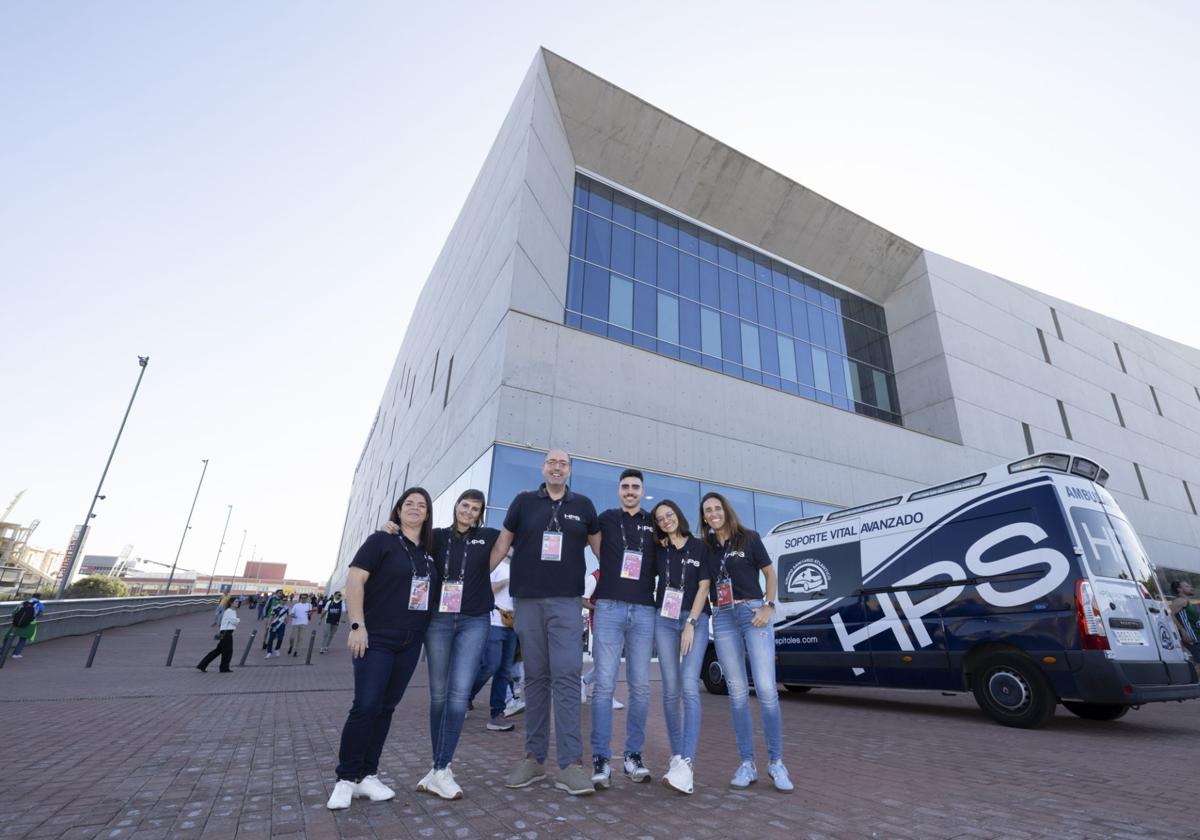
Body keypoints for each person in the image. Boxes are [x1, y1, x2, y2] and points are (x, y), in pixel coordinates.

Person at [490, 448, 601, 797]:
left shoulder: (583, 506)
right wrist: (477, 582)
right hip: (527, 602)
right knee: (535, 680)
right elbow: (500, 545)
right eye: (551, 462)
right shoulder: (523, 503)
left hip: (567, 604)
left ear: (570, 471)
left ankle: (571, 765)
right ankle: (534, 760)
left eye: (563, 463)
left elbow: (603, 553)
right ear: (544, 468)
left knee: (567, 677)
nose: (557, 467)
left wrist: (615, 590)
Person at [327, 487, 437, 811]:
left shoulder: (430, 552)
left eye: (421, 505)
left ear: (428, 513)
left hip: (411, 640)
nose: (415, 508)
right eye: (409, 504)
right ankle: (346, 779)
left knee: (386, 708)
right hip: (376, 638)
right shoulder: (381, 540)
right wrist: (357, 625)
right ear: (398, 510)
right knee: (366, 705)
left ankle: (367, 775)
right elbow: (355, 580)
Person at [701, 491, 793, 792]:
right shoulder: (707, 548)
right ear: (704, 518)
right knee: (737, 693)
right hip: (723, 617)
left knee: (766, 690)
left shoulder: (749, 538)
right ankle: (747, 764)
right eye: (707, 510)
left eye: (717, 508)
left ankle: (776, 763)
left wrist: (769, 605)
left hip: (754, 613)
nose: (713, 513)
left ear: (725, 511)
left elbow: (769, 574)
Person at [418, 489, 500, 799]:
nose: (468, 511)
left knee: (458, 694)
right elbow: (407, 538)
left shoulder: (488, 536)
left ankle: (441, 767)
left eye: (475, 508)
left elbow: (517, 538)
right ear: (456, 506)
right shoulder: (435, 536)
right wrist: (390, 527)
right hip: (438, 619)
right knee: (438, 695)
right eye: (464, 505)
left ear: (480, 513)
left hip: (474, 619)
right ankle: (439, 769)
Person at [589, 469, 657, 789]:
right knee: (603, 685)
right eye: (625, 486)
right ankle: (601, 758)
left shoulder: (654, 522)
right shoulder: (605, 518)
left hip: (644, 609)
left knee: (640, 688)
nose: (630, 491)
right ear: (618, 490)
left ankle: (633, 756)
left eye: (635, 487)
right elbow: (593, 548)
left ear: (643, 491)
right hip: (609, 607)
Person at [651, 500, 712, 794]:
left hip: (693, 620)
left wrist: (692, 622)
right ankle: (677, 758)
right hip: (664, 619)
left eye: (669, 514)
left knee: (689, 687)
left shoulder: (700, 546)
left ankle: (687, 762)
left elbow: (703, 586)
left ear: (679, 514)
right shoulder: (659, 549)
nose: (666, 520)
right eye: (660, 518)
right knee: (670, 689)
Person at [469, 545, 518, 733]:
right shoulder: (495, 565)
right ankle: (466, 696)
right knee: (490, 665)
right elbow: (485, 589)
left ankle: (497, 714)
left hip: (513, 623)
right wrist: (508, 581)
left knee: (505, 670)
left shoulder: (519, 567)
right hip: (494, 620)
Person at [581, 569, 624, 710]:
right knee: (607, 663)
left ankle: (584, 681)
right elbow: (583, 600)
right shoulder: (594, 578)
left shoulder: (616, 575)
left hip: (617, 625)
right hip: (601, 625)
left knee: (611, 662)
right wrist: (600, 608)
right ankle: (606, 697)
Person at [197, 598, 240, 673]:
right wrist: (238, 620)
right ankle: (224, 668)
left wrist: (236, 620)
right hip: (226, 633)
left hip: (226, 632)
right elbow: (234, 622)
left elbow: (234, 621)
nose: (237, 603)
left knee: (218, 651)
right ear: (231, 603)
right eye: (236, 602)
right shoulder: (229, 611)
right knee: (227, 651)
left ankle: (202, 665)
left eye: (238, 602)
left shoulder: (232, 611)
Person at [5, 594, 45, 659]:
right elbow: (40, 614)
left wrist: (14, 618)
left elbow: (15, 611)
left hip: (16, 623)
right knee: (23, 639)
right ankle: (16, 654)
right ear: (39, 598)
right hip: (29, 624)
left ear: (32, 596)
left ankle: (3, 652)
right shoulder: (40, 605)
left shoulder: (23, 603)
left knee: (10, 637)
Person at [1169, 580, 1200, 658]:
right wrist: (1183, 631)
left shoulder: (1187, 601)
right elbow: (1170, 615)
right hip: (1193, 638)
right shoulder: (1180, 601)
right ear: (1179, 589)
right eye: (1187, 586)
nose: (1191, 588)